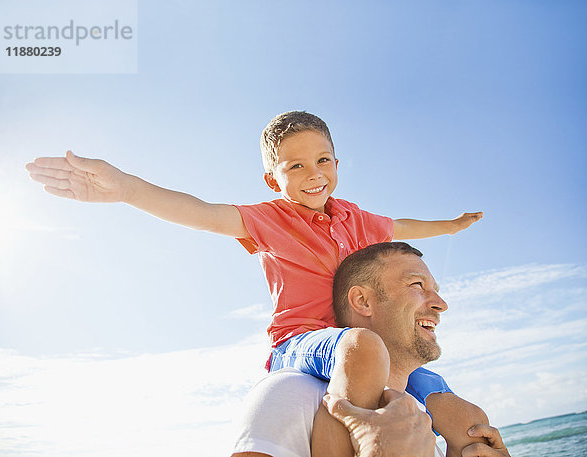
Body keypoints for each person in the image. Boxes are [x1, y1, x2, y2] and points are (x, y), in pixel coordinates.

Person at [26, 111, 484, 456]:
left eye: (323, 160)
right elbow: (203, 213)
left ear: (337, 164)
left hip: (373, 347)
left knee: (452, 405)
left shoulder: (355, 218)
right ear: (273, 178)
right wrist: (126, 188)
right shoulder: (269, 220)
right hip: (303, 343)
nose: (314, 174)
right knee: (361, 345)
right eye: (296, 166)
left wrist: (449, 226)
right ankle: (353, 438)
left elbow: (401, 224)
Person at [232, 242, 511, 457]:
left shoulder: (421, 422)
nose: (440, 303)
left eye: (435, 289)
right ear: (363, 301)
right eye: (417, 285)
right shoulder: (292, 393)